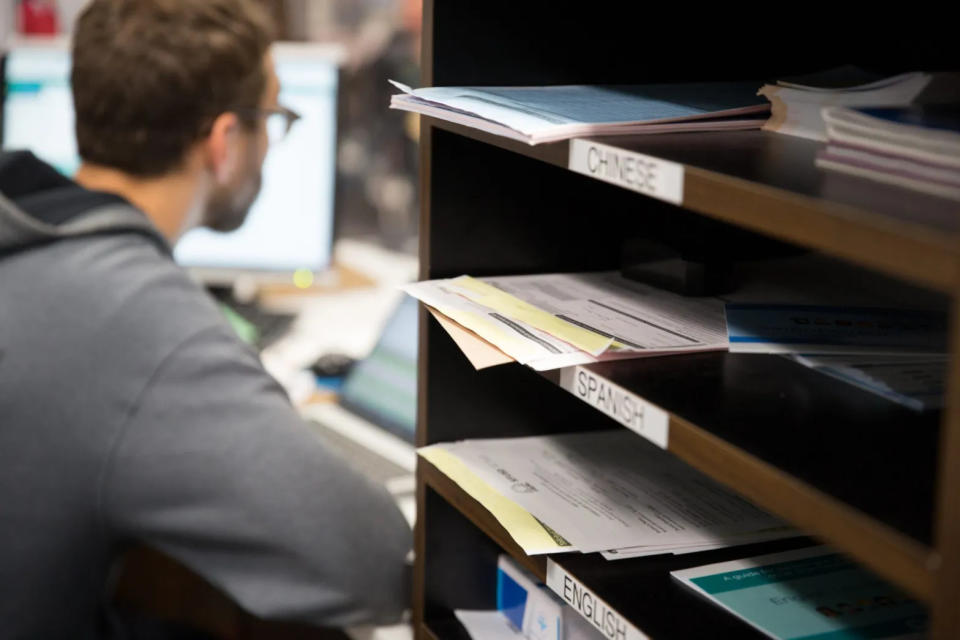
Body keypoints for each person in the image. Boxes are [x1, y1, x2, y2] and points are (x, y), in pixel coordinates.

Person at [0, 1, 411, 638]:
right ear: (224, 143)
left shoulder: (24, 232)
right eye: (275, 119)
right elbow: (372, 562)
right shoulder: (136, 320)